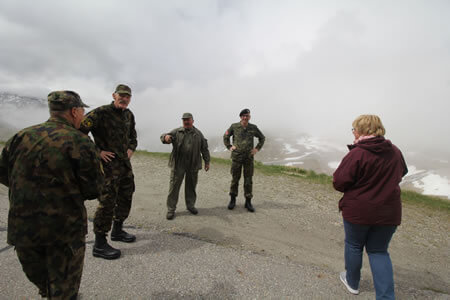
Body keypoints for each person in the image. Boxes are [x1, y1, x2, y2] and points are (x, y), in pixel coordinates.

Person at [0, 91, 104, 299]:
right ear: (74, 112)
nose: (83, 116)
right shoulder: (80, 142)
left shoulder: (21, 137)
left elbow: (4, 174)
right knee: (64, 290)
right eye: (82, 111)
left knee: (44, 284)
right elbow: (94, 188)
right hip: (63, 233)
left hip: (24, 230)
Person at [333, 115, 408, 300]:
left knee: (354, 245)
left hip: (359, 211)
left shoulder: (358, 153)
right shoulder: (395, 151)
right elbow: (402, 172)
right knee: (379, 251)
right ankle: (385, 297)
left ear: (363, 130)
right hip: (388, 212)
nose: (353, 132)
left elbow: (339, 182)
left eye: (354, 129)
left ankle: (352, 283)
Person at [80, 84, 137, 260]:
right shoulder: (100, 113)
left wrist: (131, 148)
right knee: (107, 201)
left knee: (126, 195)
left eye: (127, 96)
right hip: (108, 167)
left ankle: (118, 230)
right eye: (121, 95)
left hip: (124, 166)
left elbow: (133, 136)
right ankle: (99, 243)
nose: (124, 99)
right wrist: (97, 152)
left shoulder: (128, 114)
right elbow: (79, 132)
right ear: (114, 95)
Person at [160, 113, 210, 220]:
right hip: (178, 164)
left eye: (188, 120)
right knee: (174, 187)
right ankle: (171, 209)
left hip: (193, 164)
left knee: (191, 186)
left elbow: (204, 148)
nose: (186, 122)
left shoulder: (198, 134)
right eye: (184, 120)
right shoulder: (177, 131)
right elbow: (164, 136)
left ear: (193, 121)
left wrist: (207, 162)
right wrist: (166, 137)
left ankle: (190, 205)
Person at [223, 108, 265, 212]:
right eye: (243, 116)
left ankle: (248, 202)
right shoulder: (234, 126)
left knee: (248, 180)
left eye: (247, 116)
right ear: (241, 117)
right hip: (237, 157)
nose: (245, 117)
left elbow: (262, 138)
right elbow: (226, 136)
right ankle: (232, 200)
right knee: (235, 179)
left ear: (249, 117)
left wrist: (256, 149)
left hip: (248, 158)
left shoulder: (253, 127)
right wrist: (229, 146)